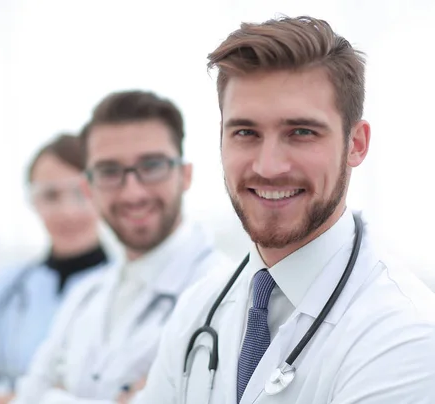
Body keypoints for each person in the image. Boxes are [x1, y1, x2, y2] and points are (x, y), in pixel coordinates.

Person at [130, 16, 435, 404]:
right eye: (245, 133)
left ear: (356, 144)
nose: (268, 166)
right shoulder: (198, 308)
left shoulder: (407, 336)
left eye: (301, 132)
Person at [11, 90, 233, 404]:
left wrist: (56, 397)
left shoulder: (228, 297)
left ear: (185, 175)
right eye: (109, 172)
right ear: (88, 187)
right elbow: (26, 397)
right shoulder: (85, 295)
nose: (132, 192)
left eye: (152, 165)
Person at [0, 134, 110, 404]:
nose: (67, 211)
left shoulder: (132, 288)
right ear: (33, 201)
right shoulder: (4, 289)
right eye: (51, 195)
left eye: (82, 193)